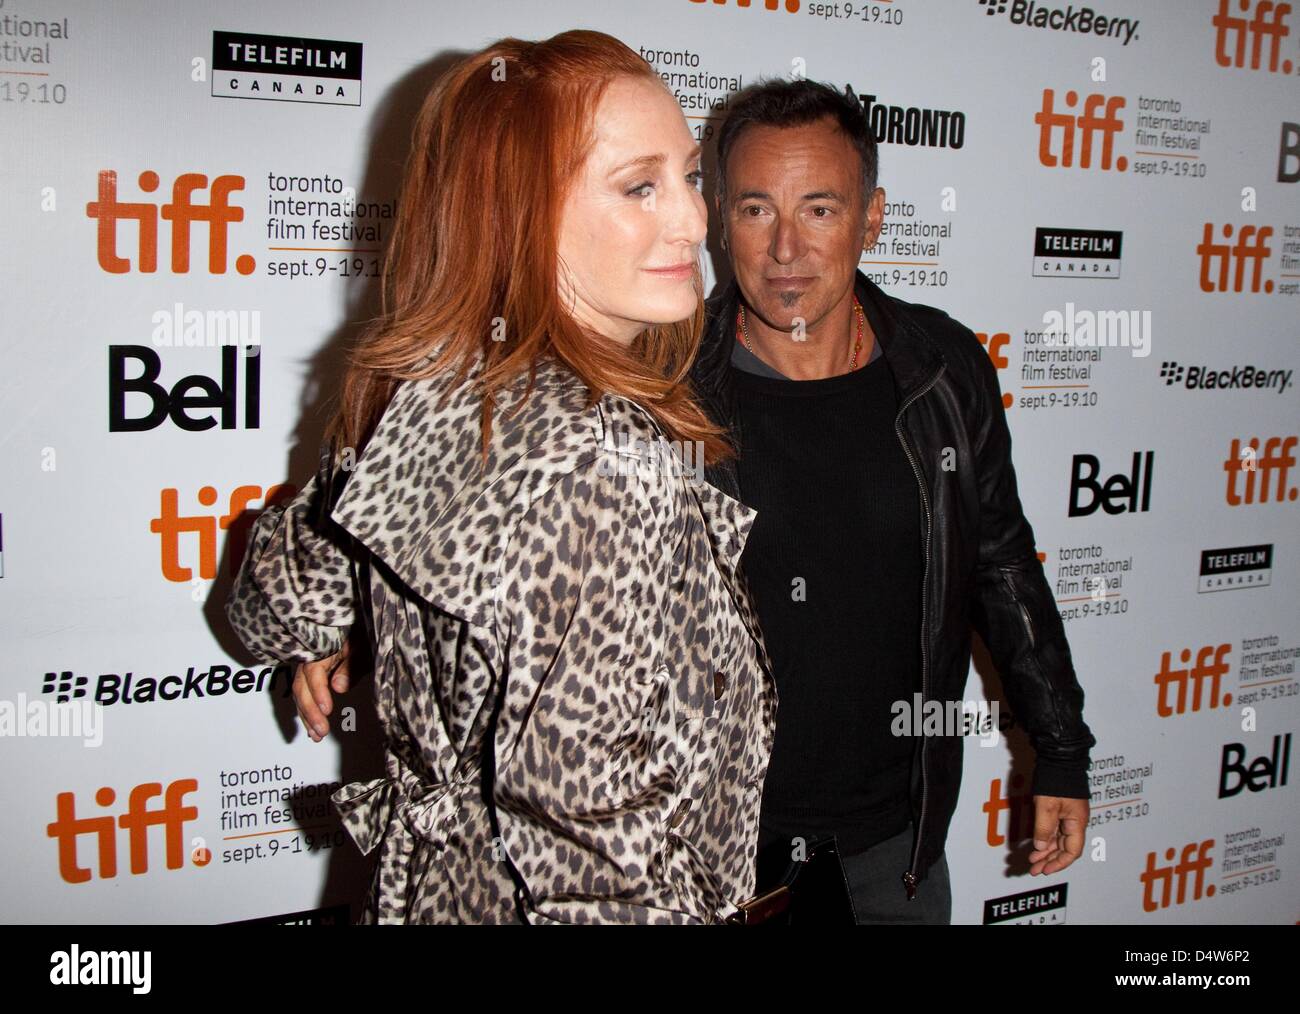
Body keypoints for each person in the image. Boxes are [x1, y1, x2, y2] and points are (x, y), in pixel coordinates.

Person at [225, 30, 776, 924]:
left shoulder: (425, 389)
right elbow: (597, 860)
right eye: (639, 187)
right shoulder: (603, 465)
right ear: (517, 212)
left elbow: (276, 610)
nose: (691, 220)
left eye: (687, 176)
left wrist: (335, 633)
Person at [690, 78, 1096, 924]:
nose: (786, 249)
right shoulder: (665, 388)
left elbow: (1001, 564)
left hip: (895, 851)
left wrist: (1059, 751)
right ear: (720, 216)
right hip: (712, 849)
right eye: (758, 210)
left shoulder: (941, 368)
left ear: (872, 219)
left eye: (821, 210)